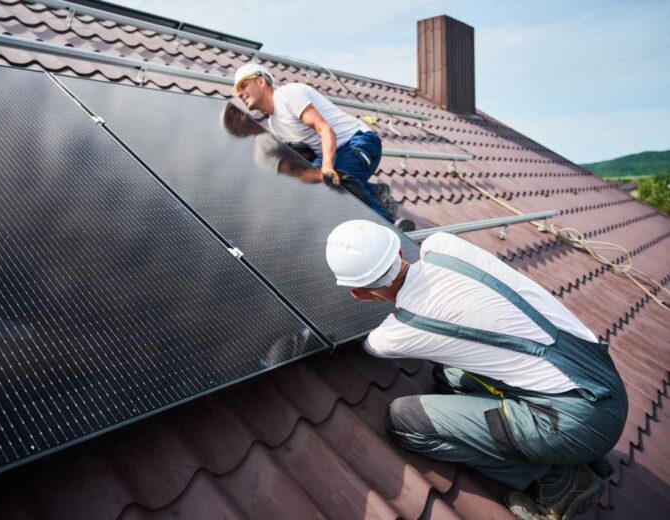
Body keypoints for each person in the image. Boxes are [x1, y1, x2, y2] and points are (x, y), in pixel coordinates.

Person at [325, 220, 628, 520]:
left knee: (405, 420)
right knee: (449, 377)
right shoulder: (443, 244)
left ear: (359, 294)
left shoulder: (396, 334)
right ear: (400, 253)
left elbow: (372, 344)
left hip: (576, 421)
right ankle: (581, 455)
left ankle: (557, 481)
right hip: (605, 382)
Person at [232, 63, 410, 228]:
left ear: (261, 81)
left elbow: (325, 129)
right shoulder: (274, 123)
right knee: (308, 185)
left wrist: (326, 167)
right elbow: (305, 155)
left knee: (335, 181)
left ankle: (388, 227)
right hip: (336, 153)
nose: (240, 94)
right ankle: (374, 192)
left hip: (358, 142)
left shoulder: (287, 95)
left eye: (243, 86)